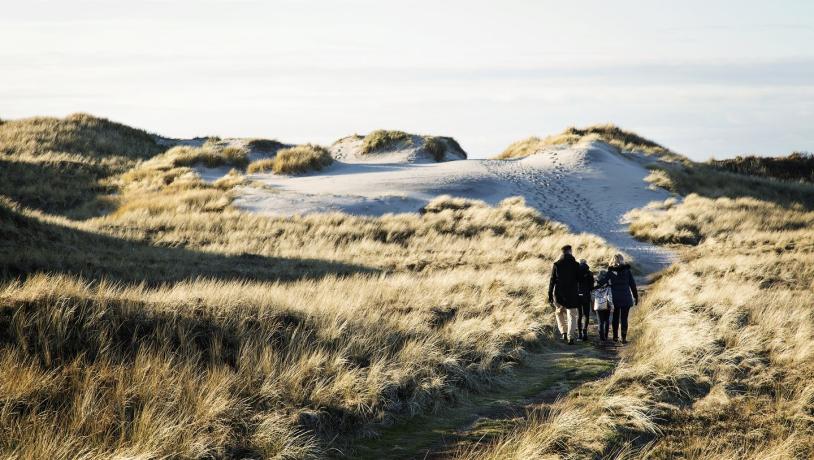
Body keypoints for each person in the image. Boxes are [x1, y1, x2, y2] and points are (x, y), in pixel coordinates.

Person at [548, 245, 581, 344]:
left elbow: (552, 280)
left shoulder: (557, 264)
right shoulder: (576, 264)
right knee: (572, 315)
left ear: (562, 253)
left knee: (559, 313)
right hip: (572, 294)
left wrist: (549, 294)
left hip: (559, 294)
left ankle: (564, 333)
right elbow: (579, 279)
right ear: (570, 251)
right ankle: (571, 336)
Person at [602, 254, 639, 343]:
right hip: (626, 297)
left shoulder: (610, 271)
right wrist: (635, 296)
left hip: (615, 298)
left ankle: (615, 337)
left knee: (615, 318)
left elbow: (603, 282)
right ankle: (623, 338)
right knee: (624, 319)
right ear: (622, 260)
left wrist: (595, 284)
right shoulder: (627, 271)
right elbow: (632, 285)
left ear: (613, 260)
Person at [576, 259, 594, 341]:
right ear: (586, 264)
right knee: (586, 315)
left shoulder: (575, 272)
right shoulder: (589, 273)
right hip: (586, 295)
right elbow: (591, 286)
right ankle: (585, 332)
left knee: (579, 315)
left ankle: (579, 334)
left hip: (578, 296)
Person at [592, 272, 613, 341]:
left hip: (598, 306)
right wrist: (611, 305)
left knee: (600, 322)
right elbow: (610, 297)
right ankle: (606, 336)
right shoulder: (608, 287)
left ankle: (601, 337)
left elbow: (592, 297)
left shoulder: (595, 288)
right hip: (606, 305)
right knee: (606, 321)